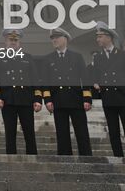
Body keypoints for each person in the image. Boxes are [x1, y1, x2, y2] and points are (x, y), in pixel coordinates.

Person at [39, 27, 92, 156]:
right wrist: (47, 100)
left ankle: (87, 158)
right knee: (62, 133)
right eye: (52, 38)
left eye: (57, 37)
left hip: (76, 100)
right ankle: (64, 159)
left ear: (65, 39)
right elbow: (44, 82)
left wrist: (87, 99)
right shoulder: (48, 59)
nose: (54, 40)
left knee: (82, 132)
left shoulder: (77, 57)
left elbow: (85, 79)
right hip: (58, 100)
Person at [91, 27, 125, 159]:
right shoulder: (98, 57)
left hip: (122, 97)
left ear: (109, 37)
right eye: (97, 36)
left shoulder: (122, 54)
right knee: (113, 133)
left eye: (100, 36)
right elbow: (95, 74)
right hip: (108, 98)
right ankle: (119, 158)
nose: (98, 39)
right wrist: (96, 83)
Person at [0, 28, 41, 155]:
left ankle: (32, 158)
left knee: (29, 132)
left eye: (15, 40)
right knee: (10, 132)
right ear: (5, 41)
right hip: (8, 100)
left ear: (19, 42)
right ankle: (11, 159)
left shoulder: (28, 57)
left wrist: (37, 100)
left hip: (26, 100)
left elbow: (35, 80)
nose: (13, 42)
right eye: (10, 40)